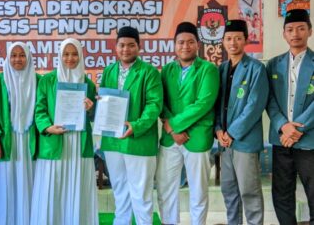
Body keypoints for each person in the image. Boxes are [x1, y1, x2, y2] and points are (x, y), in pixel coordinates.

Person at [156, 22, 219, 225]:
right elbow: (160, 101)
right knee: (166, 189)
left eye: (190, 42)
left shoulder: (208, 69)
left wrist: (173, 125)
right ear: (174, 45)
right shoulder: (166, 70)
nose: (185, 46)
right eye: (181, 42)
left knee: (198, 191)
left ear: (197, 45)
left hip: (197, 137)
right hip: (170, 139)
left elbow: (203, 103)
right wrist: (171, 129)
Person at [30, 38, 98, 225]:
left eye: (74, 53)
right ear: (59, 55)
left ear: (81, 55)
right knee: (53, 188)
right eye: (66, 54)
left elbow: (94, 116)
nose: (70, 58)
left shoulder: (88, 84)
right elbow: (39, 110)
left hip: (78, 143)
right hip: (54, 141)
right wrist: (47, 127)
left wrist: (91, 108)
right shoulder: (48, 80)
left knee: (77, 188)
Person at [100, 26, 163, 225]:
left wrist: (136, 126)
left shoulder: (149, 72)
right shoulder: (108, 70)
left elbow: (154, 105)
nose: (126, 49)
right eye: (122, 45)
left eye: (131, 45)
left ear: (139, 47)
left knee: (141, 194)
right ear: (115, 47)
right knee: (120, 191)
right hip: (113, 141)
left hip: (138, 141)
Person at [215, 19, 268, 225]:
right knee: (229, 189)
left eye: (238, 38)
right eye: (229, 38)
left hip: (244, 141)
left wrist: (232, 132)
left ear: (246, 40)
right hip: (225, 142)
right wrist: (219, 130)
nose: (233, 43)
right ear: (223, 42)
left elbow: (255, 105)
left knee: (249, 191)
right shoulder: (221, 68)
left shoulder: (256, 68)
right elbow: (217, 103)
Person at [266, 9, 314, 225]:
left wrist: (298, 129)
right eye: (290, 29)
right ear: (284, 34)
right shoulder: (273, 64)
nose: (295, 33)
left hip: (309, 142)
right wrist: (283, 125)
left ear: (310, 31)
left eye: (301, 28)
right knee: (282, 194)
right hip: (281, 140)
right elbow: (269, 99)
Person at [0, 42, 40, 224]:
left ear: (29, 57)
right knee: (6, 183)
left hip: (30, 141)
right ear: (8, 58)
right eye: (14, 55)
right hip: (6, 141)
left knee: (30, 183)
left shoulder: (38, 80)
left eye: (22, 55)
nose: (18, 59)